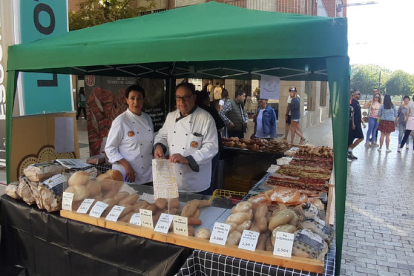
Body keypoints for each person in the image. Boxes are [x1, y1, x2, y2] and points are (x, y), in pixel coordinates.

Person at [154, 83, 218, 193]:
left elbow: (211, 147)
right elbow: (162, 136)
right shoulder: (171, 116)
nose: (182, 101)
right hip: (173, 180)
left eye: (186, 97)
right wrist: (159, 147)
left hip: (196, 182)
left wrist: (187, 159)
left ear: (194, 97)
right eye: (178, 98)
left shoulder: (205, 118)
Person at [105, 84, 154, 184]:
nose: (136, 102)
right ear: (127, 100)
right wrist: (126, 165)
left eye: (139, 98)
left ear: (143, 100)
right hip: (127, 174)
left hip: (148, 174)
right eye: (132, 98)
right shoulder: (121, 121)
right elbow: (110, 148)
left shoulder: (147, 118)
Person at [195, 90, 225, 194]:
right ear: (204, 100)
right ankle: (207, 198)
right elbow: (221, 127)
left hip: (196, 150)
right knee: (209, 176)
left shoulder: (194, 112)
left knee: (200, 176)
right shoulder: (210, 111)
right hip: (212, 148)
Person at [348, 90, 366, 160]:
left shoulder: (356, 103)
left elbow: (358, 114)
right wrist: (353, 124)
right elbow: (352, 114)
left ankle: (349, 150)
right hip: (353, 124)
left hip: (357, 123)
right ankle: (349, 151)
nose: (359, 95)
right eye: (358, 94)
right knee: (358, 138)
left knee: (354, 139)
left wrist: (362, 122)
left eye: (360, 94)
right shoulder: (352, 103)